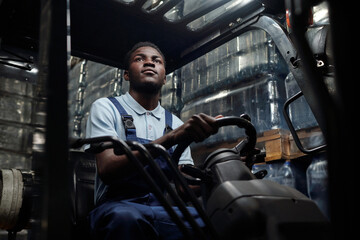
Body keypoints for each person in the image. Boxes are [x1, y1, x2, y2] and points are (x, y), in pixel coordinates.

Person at [85, 41, 220, 240]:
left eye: (156, 60)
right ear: (126, 75)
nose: (149, 63)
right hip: (117, 207)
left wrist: (218, 171)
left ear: (165, 77)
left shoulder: (174, 122)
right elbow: (107, 169)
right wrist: (171, 138)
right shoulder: (106, 108)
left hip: (161, 208)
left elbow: (184, 188)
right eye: (139, 59)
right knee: (126, 219)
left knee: (210, 223)